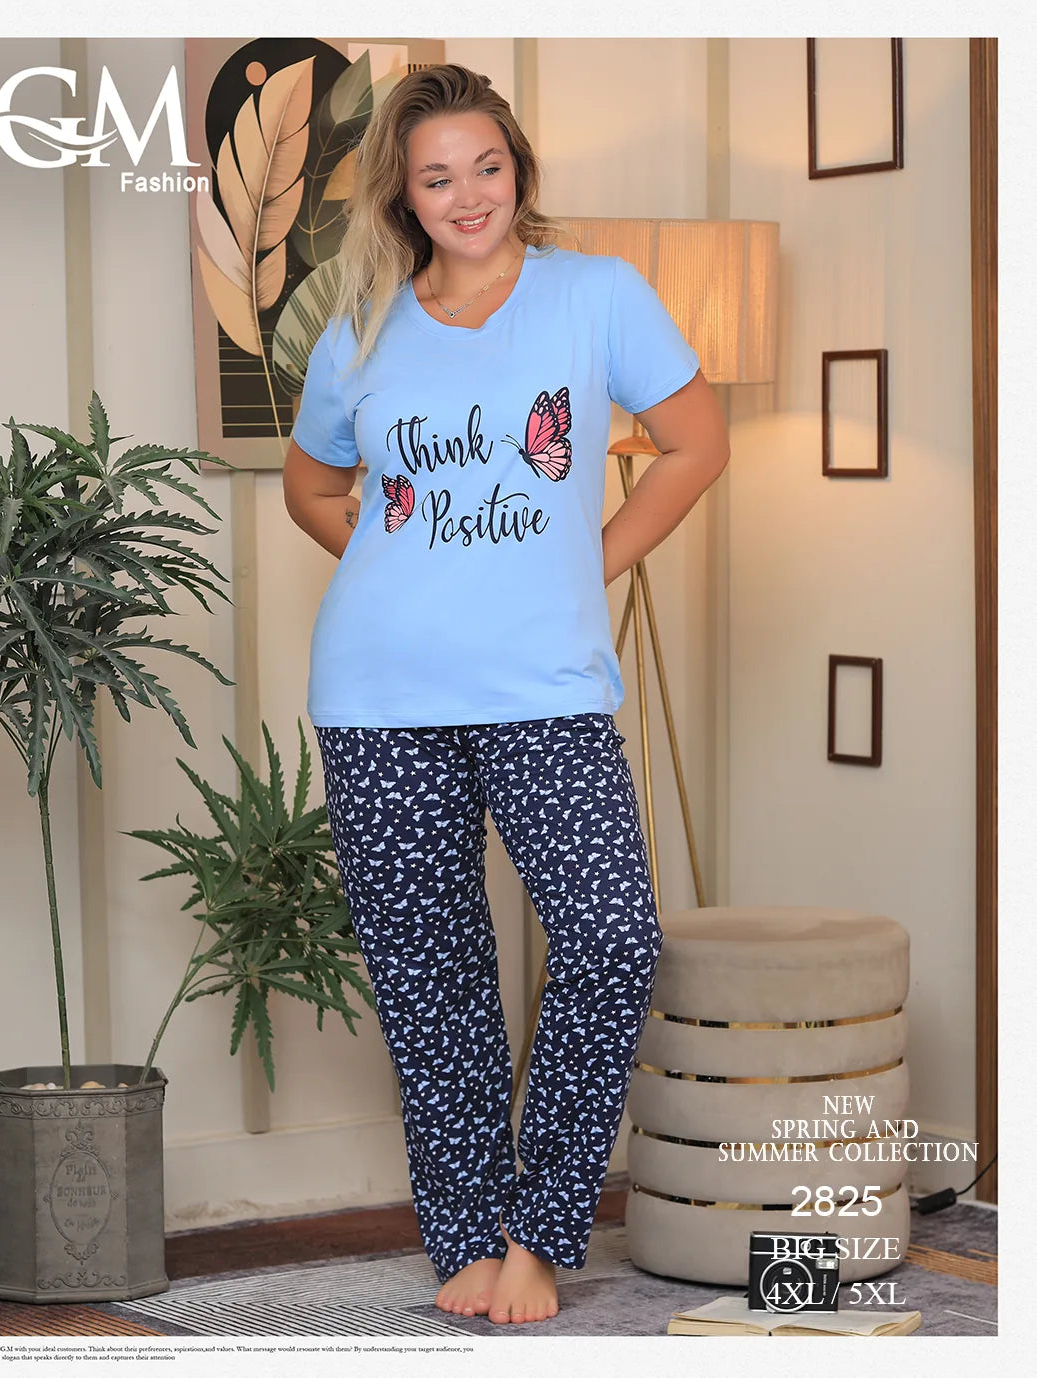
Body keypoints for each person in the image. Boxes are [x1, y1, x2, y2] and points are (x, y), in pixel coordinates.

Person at [282, 63, 729, 1326]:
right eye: (438, 177)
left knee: (607, 937)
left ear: (517, 171)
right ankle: (465, 1240)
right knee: (432, 979)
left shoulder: (597, 297)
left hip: (543, 688)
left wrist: (581, 563)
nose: (467, 194)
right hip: (376, 694)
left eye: (486, 167)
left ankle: (541, 1232)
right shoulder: (359, 328)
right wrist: (398, 559)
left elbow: (699, 444)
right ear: (404, 197)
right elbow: (314, 490)